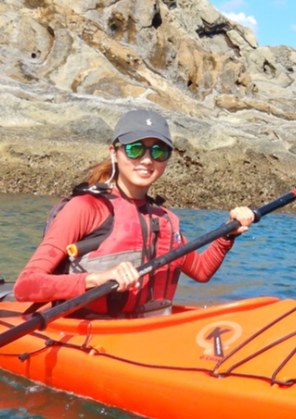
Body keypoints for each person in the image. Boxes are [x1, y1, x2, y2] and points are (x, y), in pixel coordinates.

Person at [14, 109, 255, 316]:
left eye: (158, 152)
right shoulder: (86, 208)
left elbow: (201, 271)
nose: (147, 160)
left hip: (147, 333)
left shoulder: (165, 219)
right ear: (114, 152)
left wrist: (228, 232)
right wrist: (97, 279)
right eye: (135, 149)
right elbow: (25, 286)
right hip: (90, 333)